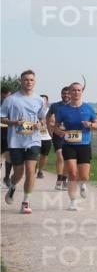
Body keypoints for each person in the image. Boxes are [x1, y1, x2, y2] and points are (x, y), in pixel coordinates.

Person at [1, 70, 48, 214]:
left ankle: (25, 202)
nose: (29, 82)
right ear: (21, 82)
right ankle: (13, 186)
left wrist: (40, 124)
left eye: (31, 80)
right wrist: (14, 122)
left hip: (33, 139)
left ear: (35, 82)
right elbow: (1, 118)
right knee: (19, 173)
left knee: (30, 171)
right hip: (16, 141)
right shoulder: (11, 99)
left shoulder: (39, 100)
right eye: (26, 80)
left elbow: (42, 118)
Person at [52, 82, 97, 211]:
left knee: (84, 176)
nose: (76, 92)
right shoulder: (62, 110)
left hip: (84, 144)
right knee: (72, 173)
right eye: (73, 90)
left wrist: (90, 124)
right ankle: (73, 201)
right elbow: (55, 126)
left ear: (82, 92)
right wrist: (59, 131)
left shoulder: (88, 108)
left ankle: (83, 183)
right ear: (69, 92)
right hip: (68, 145)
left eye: (78, 90)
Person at [47, 87, 71, 190]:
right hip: (58, 134)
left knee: (67, 158)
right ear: (61, 94)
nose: (66, 95)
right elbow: (48, 117)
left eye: (68, 94)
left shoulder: (75, 106)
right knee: (60, 156)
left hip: (70, 135)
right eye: (64, 93)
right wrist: (50, 129)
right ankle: (59, 178)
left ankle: (65, 179)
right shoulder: (55, 106)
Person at [36, 95, 52, 179]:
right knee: (35, 155)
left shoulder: (50, 111)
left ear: (47, 102)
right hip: (35, 137)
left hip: (46, 137)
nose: (42, 102)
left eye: (44, 100)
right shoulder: (34, 110)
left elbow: (53, 122)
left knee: (44, 155)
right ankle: (33, 168)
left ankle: (40, 171)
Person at [1, 87, 11, 191]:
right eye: (6, 96)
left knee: (9, 156)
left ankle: (7, 177)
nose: (8, 98)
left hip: (9, 133)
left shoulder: (12, 105)